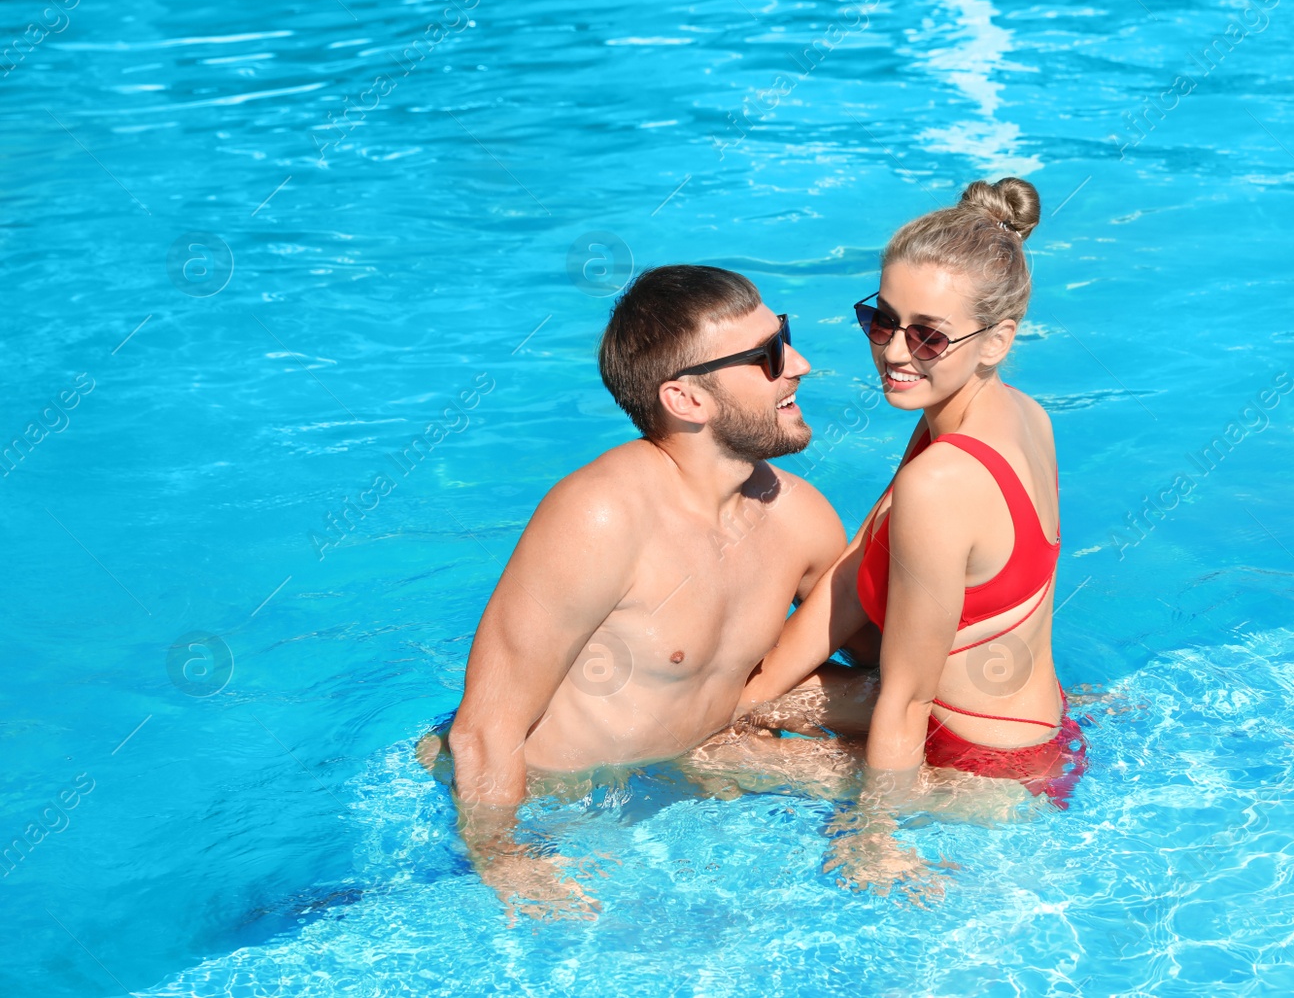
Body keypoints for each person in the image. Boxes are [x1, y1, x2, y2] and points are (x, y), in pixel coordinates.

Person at [420, 264, 854, 923]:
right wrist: (502, 858)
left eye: (784, 336)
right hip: (554, 804)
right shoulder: (601, 516)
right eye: (769, 355)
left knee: (958, 781)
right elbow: (486, 726)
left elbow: (890, 648)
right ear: (686, 399)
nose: (801, 363)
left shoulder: (799, 516)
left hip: (696, 756)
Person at [738, 177, 1087, 899]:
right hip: (1029, 734)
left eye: (927, 334)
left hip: (978, 774)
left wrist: (875, 834)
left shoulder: (943, 482)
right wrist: (760, 690)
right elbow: (859, 560)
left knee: (699, 749)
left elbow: (905, 699)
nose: (895, 351)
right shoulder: (1013, 414)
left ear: (997, 339)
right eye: (880, 320)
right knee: (729, 701)